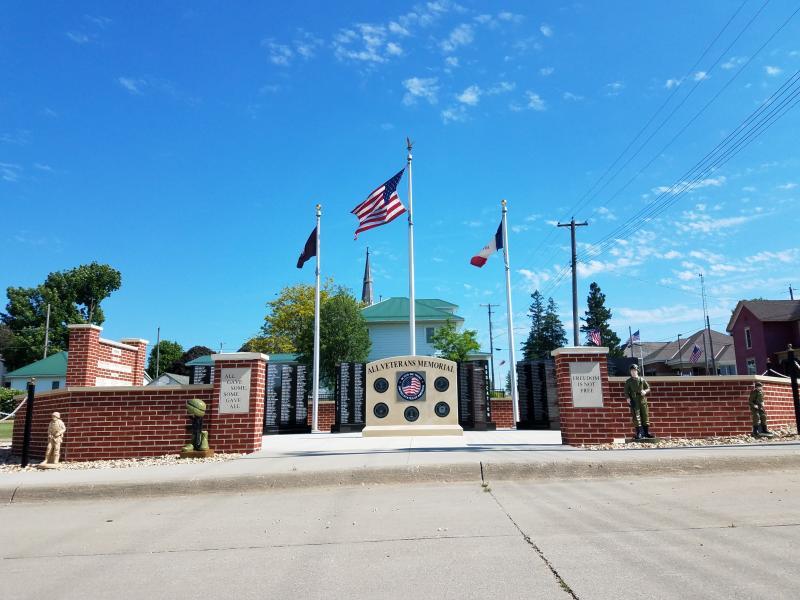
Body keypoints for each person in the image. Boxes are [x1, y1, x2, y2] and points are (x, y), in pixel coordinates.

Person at [624, 364, 653, 440]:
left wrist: (645, 391)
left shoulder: (642, 380)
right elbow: (626, 391)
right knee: (636, 416)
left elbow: (648, 388)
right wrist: (628, 398)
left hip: (642, 399)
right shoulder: (628, 381)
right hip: (634, 400)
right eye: (632, 371)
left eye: (635, 371)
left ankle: (646, 432)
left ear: (637, 371)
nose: (633, 372)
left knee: (645, 415)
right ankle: (639, 432)